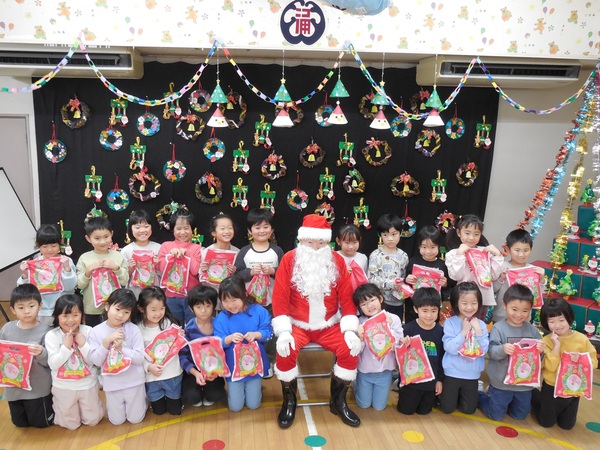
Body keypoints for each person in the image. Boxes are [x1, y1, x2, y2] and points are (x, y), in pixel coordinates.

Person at [272, 214, 362, 429]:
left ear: (327, 242)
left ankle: (338, 402)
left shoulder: (336, 260)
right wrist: (283, 331)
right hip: (296, 324)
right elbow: (280, 296)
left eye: (320, 243)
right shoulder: (289, 259)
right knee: (285, 351)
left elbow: (346, 297)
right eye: (310, 242)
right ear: (301, 240)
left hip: (328, 324)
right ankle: (289, 401)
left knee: (349, 349)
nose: (315, 247)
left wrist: (350, 330)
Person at [478, 284, 546, 421]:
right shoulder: (498, 328)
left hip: (523, 384)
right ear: (504, 305)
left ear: (530, 310)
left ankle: (505, 402)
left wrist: (541, 351)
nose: (519, 315)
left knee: (520, 415)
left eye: (525, 311)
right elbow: (491, 352)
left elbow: (538, 359)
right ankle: (480, 394)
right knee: (496, 415)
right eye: (514, 309)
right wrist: (502, 349)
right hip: (501, 382)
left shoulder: (533, 331)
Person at [531, 298, 598, 429]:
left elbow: (594, 362)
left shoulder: (581, 339)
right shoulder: (546, 341)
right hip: (551, 387)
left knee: (567, 426)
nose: (557, 325)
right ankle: (534, 395)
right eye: (552, 321)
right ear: (546, 323)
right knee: (546, 423)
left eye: (561, 320)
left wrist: (580, 359)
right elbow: (550, 367)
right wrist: (556, 346)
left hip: (573, 388)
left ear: (569, 318)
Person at [234, 208, 284, 377]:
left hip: (272, 301)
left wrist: (273, 271)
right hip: (250, 302)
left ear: (272, 229)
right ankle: (250, 361)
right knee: (251, 330)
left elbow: (286, 274)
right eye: (257, 227)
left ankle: (268, 362)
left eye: (265, 227)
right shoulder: (244, 252)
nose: (262, 231)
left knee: (269, 332)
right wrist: (250, 272)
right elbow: (236, 275)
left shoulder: (277, 251)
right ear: (250, 231)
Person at [213, 275, 272, 412]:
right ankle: (240, 390)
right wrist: (228, 338)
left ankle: (255, 389)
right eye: (225, 301)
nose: (230, 305)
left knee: (253, 405)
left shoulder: (258, 311)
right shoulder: (221, 318)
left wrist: (256, 335)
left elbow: (268, 331)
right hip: (233, 365)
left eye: (234, 300)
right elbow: (217, 340)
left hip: (255, 364)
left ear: (244, 295)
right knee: (235, 407)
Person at [45, 293, 104, 430]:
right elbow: (53, 364)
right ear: (57, 316)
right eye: (65, 316)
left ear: (82, 315)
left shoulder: (89, 331)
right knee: (70, 424)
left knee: (93, 420)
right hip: (63, 386)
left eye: (75, 315)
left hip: (87, 384)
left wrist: (83, 344)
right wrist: (66, 347)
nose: (70, 320)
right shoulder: (52, 335)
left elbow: (94, 361)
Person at [88, 289, 146, 425]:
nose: (120, 315)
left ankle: (143, 400)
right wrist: (106, 342)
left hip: (134, 382)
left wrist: (121, 349)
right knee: (116, 421)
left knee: (135, 419)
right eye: (118, 309)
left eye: (126, 312)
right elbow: (96, 361)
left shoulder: (133, 329)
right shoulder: (96, 331)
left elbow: (139, 358)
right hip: (112, 385)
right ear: (107, 307)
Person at [0, 284, 54, 428]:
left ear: (40, 305)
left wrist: (41, 352)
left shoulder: (47, 331)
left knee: (41, 423)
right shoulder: (7, 329)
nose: (27, 311)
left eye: (31, 306)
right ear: (13, 310)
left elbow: (50, 362)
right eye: (21, 307)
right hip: (14, 387)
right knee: (19, 423)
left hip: (38, 388)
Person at [439, 282, 489, 414]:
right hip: (452, 373)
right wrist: (464, 332)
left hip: (472, 374)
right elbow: (450, 348)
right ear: (456, 303)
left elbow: (483, 350)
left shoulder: (481, 324)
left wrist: (478, 330)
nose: (469, 307)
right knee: (447, 408)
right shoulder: (450, 323)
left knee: (468, 410)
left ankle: (480, 393)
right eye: (464, 303)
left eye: (474, 303)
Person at [353, 283, 404, 411]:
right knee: (363, 405)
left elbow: (398, 346)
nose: (369, 306)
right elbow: (356, 351)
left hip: (385, 372)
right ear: (359, 308)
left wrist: (389, 328)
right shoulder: (359, 322)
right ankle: (355, 384)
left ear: (380, 298)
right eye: (364, 304)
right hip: (365, 371)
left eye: (372, 300)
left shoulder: (393, 319)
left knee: (379, 407)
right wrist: (361, 338)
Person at [135, 286, 183, 416]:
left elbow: (176, 348)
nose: (158, 313)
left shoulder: (169, 324)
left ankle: (178, 400)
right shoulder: (138, 329)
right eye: (153, 310)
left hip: (172, 374)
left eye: (162, 308)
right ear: (141, 309)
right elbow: (138, 354)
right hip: (152, 377)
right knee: (159, 411)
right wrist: (148, 367)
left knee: (175, 410)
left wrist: (180, 338)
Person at [445, 215, 504, 320]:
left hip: (483, 298)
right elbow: (456, 276)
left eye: (476, 234)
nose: (471, 238)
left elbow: (493, 276)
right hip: (462, 299)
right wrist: (460, 255)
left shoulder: (485, 252)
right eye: (467, 233)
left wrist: (497, 256)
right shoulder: (453, 254)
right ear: (459, 233)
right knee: (459, 325)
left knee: (478, 326)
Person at [17, 224, 77, 327]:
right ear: (38, 245)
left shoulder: (66, 261)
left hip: (63, 309)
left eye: (53, 246)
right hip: (41, 311)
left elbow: (70, 287)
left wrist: (67, 269)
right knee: (42, 333)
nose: (49, 250)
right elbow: (25, 291)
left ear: (60, 243)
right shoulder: (35, 263)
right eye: (45, 246)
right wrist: (25, 275)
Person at [397, 287, 445, 415]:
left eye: (433, 311)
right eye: (425, 311)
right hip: (411, 383)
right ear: (415, 309)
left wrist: (439, 380)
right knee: (406, 411)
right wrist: (402, 345)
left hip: (430, 384)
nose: (429, 315)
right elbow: (399, 356)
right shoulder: (407, 329)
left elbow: (442, 358)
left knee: (424, 412)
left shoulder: (441, 332)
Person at [179, 285, 227, 407]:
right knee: (191, 398)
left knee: (216, 395)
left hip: (214, 370)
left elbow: (224, 351)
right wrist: (195, 373)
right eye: (198, 307)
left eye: (208, 306)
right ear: (191, 309)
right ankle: (195, 389)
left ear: (214, 306)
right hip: (194, 371)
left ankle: (209, 390)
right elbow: (183, 356)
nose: (203, 311)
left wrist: (216, 372)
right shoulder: (189, 329)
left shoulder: (219, 325)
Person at [76, 217, 129, 327]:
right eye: (97, 238)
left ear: (112, 234)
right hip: (92, 309)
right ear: (88, 238)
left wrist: (116, 268)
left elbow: (124, 281)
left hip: (116, 308)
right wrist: (88, 271)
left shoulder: (118, 256)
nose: (102, 241)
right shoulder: (84, 258)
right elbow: (80, 285)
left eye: (106, 237)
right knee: (94, 335)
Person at [158, 207, 202, 326]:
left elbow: (196, 271)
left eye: (186, 228)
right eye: (178, 228)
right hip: (172, 297)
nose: (182, 232)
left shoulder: (197, 248)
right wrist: (170, 256)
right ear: (173, 230)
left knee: (193, 327)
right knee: (174, 327)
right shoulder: (166, 246)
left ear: (192, 229)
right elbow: (162, 269)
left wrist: (187, 254)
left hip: (192, 296)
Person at [492, 229, 545, 323]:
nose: (521, 254)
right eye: (517, 250)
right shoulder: (501, 267)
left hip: (523, 320)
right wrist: (501, 278)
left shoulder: (533, 270)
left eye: (526, 250)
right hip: (501, 317)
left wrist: (541, 279)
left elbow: (537, 294)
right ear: (508, 249)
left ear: (531, 250)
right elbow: (493, 289)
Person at [404, 226, 450, 324]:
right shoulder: (413, 261)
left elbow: (447, 287)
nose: (428, 251)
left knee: (431, 327)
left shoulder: (442, 265)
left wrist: (445, 284)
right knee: (412, 327)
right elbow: (405, 283)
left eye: (432, 247)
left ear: (439, 247)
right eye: (424, 247)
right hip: (414, 306)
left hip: (432, 308)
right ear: (419, 246)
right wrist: (407, 280)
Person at [367, 214, 409, 321]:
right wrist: (390, 283)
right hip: (380, 302)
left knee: (396, 326)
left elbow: (405, 278)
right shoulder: (375, 255)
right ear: (380, 235)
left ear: (400, 233)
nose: (390, 239)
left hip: (398, 302)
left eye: (394, 234)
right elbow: (371, 279)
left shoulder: (403, 256)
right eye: (385, 235)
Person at [121, 210, 161, 298]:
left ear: (151, 227)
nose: (142, 230)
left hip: (155, 295)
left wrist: (158, 265)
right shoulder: (126, 251)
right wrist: (130, 269)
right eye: (137, 227)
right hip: (134, 295)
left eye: (146, 226)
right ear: (130, 229)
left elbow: (165, 276)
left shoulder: (159, 248)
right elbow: (122, 280)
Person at [200, 213, 239, 293]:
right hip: (211, 294)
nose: (227, 231)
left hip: (230, 294)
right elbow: (201, 279)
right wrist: (203, 270)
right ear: (214, 232)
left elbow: (240, 279)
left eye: (230, 228)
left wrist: (234, 272)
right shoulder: (206, 252)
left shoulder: (237, 252)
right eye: (222, 228)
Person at [336, 223, 369, 292]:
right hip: (340, 294)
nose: (351, 247)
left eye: (354, 242)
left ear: (359, 240)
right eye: (347, 243)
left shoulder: (363, 258)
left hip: (358, 295)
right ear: (338, 241)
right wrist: (343, 273)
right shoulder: (334, 257)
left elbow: (365, 278)